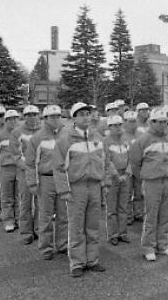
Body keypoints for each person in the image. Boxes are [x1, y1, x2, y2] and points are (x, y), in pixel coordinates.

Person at [53, 102, 107, 277]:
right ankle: (77, 262)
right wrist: (64, 190)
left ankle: (92, 260)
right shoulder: (65, 139)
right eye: (82, 114)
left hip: (94, 186)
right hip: (76, 188)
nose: (86, 117)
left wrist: (104, 182)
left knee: (93, 225)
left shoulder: (96, 136)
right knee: (76, 226)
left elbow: (104, 161)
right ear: (74, 118)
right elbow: (59, 167)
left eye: (88, 114)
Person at [129, 108, 168, 262]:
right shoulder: (143, 140)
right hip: (152, 182)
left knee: (165, 215)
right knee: (151, 215)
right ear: (152, 122)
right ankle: (148, 247)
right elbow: (135, 162)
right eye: (160, 122)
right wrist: (145, 176)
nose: (163, 125)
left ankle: (163, 245)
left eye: (165, 122)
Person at [25, 105, 68, 260]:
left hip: (63, 179)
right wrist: (32, 183)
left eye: (58, 116)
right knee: (46, 215)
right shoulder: (37, 138)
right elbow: (30, 163)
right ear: (45, 119)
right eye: (52, 117)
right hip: (46, 179)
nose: (56, 119)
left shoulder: (66, 134)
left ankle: (62, 244)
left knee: (64, 215)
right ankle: (46, 248)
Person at [0, 109, 24, 233]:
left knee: (19, 195)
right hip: (6, 167)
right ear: (5, 121)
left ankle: (19, 219)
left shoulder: (22, 134)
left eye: (15, 118)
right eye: (10, 119)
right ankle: (9, 220)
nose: (13, 121)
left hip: (19, 167)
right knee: (7, 195)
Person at [12, 105, 42, 244]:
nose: (32, 117)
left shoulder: (44, 130)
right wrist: (30, 168)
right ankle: (26, 233)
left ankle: (39, 230)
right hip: (25, 172)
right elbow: (16, 155)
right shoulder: (17, 132)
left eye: (35, 114)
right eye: (29, 115)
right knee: (25, 203)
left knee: (41, 204)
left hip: (41, 173)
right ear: (24, 116)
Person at [103, 115, 132, 246]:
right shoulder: (106, 141)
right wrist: (116, 175)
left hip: (125, 176)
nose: (118, 128)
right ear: (109, 127)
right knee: (112, 208)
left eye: (120, 125)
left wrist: (127, 173)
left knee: (123, 206)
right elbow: (107, 160)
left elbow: (131, 158)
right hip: (112, 177)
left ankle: (123, 233)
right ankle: (113, 234)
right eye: (115, 125)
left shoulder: (126, 140)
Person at [122, 111, 143, 224]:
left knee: (139, 193)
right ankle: (128, 216)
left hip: (138, 167)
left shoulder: (140, 134)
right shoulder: (122, 135)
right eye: (130, 121)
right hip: (127, 168)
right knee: (127, 193)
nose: (133, 124)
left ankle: (138, 213)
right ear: (125, 122)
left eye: (134, 121)